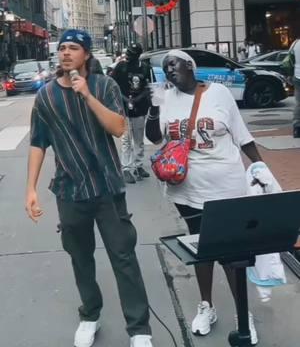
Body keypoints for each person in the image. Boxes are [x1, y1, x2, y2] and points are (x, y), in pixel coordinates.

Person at [25, 29, 154, 347]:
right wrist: (31, 189)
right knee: (80, 257)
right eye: (62, 48)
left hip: (108, 188)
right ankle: (90, 316)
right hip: (70, 192)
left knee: (123, 256)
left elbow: (119, 127)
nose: (65, 53)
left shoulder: (104, 85)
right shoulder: (46, 97)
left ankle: (139, 329)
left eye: (73, 48)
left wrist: (87, 95)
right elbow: (38, 143)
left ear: (86, 54)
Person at [145, 49, 264, 345]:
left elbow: (242, 134)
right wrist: (152, 106)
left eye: (174, 64)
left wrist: (261, 166)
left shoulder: (219, 93)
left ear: (190, 66)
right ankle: (206, 306)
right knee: (202, 247)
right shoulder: (166, 97)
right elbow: (154, 138)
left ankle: (242, 313)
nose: (169, 69)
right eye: (165, 66)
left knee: (231, 253)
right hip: (186, 190)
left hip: (226, 187)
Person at [112, 43, 151, 184]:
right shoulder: (120, 67)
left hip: (140, 108)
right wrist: (124, 99)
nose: (128, 56)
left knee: (139, 139)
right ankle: (126, 168)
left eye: (131, 54)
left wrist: (137, 99)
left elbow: (148, 87)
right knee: (126, 140)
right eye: (127, 52)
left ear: (138, 55)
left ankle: (138, 166)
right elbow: (113, 86)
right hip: (124, 110)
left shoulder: (145, 68)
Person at [288, 39, 300, 138]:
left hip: (297, 76)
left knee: (298, 102)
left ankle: (297, 127)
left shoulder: (295, 43)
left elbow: (289, 59)